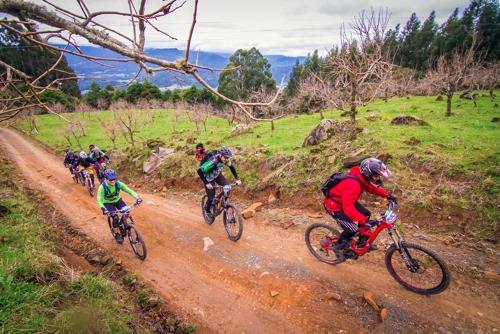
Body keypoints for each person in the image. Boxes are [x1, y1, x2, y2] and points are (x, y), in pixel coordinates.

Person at [323, 157, 397, 253]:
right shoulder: (353, 185)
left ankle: (362, 242)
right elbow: (348, 208)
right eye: (376, 176)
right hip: (334, 206)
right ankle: (337, 246)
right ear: (368, 173)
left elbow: (370, 188)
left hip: (345, 201)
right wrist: (362, 220)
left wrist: (387, 195)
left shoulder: (361, 177)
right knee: (352, 229)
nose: (377, 178)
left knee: (366, 215)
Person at [97, 169, 142, 242]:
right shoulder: (102, 187)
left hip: (118, 201)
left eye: (114, 179)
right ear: (105, 179)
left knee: (126, 212)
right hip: (107, 203)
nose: (112, 181)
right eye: (110, 179)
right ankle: (117, 233)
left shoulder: (118, 184)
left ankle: (130, 229)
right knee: (115, 217)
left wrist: (137, 197)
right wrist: (103, 208)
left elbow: (129, 190)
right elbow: (99, 199)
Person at [197, 147, 241, 218]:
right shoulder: (213, 161)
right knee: (211, 198)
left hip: (217, 175)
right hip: (208, 178)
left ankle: (225, 203)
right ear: (220, 155)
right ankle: (207, 211)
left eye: (228, 157)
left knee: (227, 187)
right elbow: (199, 171)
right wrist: (206, 183)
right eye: (226, 157)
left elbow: (232, 167)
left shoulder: (226, 160)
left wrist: (237, 179)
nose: (227, 159)